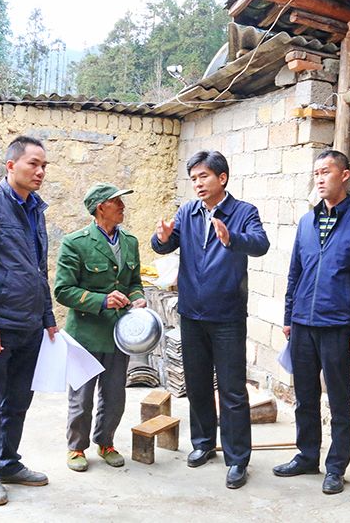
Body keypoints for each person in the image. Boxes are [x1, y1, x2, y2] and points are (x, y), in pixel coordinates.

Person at [151, 150, 269, 489]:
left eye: (204, 176)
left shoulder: (244, 212)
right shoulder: (188, 212)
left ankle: (237, 459)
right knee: (198, 384)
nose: (198, 184)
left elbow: (260, 244)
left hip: (227, 315)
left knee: (232, 390)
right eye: (193, 179)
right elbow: (164, 245)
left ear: (222, 178)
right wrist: (161, 238)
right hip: (191, 313)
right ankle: (203, 443)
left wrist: (232, 238)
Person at [272, 150, 350, 495]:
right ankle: (307, 456)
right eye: (316, 173)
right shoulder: (307, 222)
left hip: (338, 325)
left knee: (338, 400)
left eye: (326, 172)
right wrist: (289, 317)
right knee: (304, 397)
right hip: (303, 323)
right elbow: (295, 273)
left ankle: (336, 467)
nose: (319, 179)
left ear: (345, 175)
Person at [0, 135, 57, 506]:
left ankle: (7, 463)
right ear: (11, 165)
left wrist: (47, 317)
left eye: (44, 165)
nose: (40, 171)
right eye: (34, 163)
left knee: (18, 402)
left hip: (29, 326)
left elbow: (39, 269)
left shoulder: (35, 209)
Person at [54, 183, 146, 472]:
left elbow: (134, 282)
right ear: (100, 208)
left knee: (115, 395)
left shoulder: (130, 241)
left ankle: (106, 442)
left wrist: (137, 297)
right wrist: (102, 300)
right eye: (116, 201)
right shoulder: (75, 243)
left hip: (119, 334)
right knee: (82, 398)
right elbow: (63, 291)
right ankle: (76, 447)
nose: (122, 206)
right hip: (85, 335)